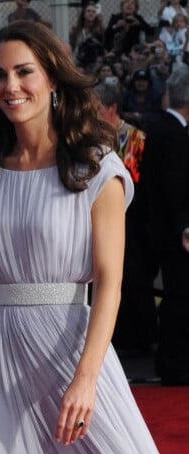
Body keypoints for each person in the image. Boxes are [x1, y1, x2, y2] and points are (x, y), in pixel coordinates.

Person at [0, 20, 189, 454]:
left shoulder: (96, 169)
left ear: (53, 77)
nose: (12, 86)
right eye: (0, 75)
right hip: (4, 363)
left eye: (24, 72)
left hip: (73, 354)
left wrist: (85, 379)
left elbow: (111, 284)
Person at [93, 81, 158, 358]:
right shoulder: (86, 141)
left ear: (112, 109)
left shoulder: (136, 139)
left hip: (134, 224)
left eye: (95, 109)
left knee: (136, 281)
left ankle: (143, 339)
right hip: (100, 223)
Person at [139, 64, 189, 384]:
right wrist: (185, 226)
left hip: (164, 230)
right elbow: (176, 186)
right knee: (180, 298)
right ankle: (175, 365)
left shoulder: (163, 128)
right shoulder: (173, 134)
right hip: (174, 235)